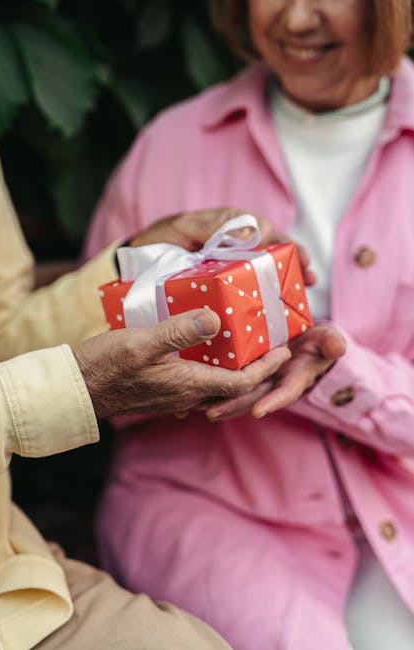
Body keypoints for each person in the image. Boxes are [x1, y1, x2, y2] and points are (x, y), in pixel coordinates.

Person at [84, 1, 414, 648]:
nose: (294, 21)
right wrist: (175, 351)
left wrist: (337, 374)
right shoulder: (172, 146)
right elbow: (91, 370)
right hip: (210, 505)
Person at [0, 88, 342, 650]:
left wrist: (132, 264)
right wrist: (74, 391)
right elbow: (42, 386)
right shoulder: (171, 141)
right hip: (187, 499)